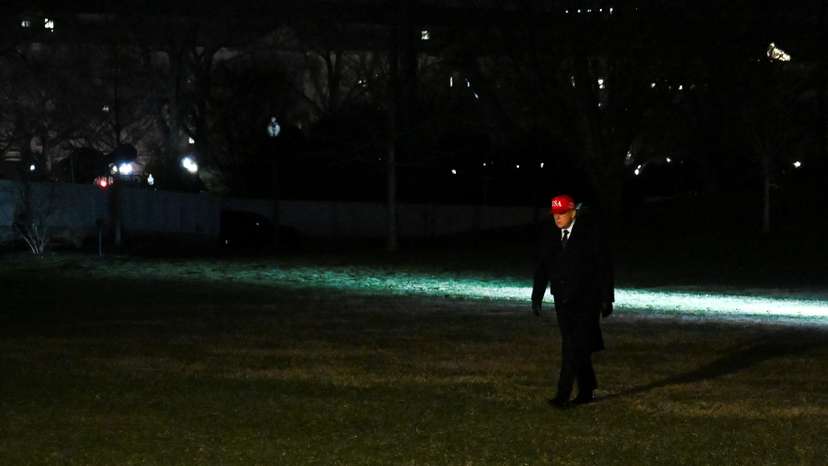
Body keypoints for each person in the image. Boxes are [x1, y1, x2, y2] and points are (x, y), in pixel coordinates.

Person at [532, 194, 614, 408]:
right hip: (562, 298)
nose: (557, 218)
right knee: (576, 345)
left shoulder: (589, 232)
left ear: (572, 212)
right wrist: (537, 294)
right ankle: (587, 389)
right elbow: (543, 264)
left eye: (561, 213)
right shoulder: (550, 233)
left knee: (571, 346)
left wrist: (606, 298)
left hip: (587, 299)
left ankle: (563, 394)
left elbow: (603, 264)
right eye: (555, 214)